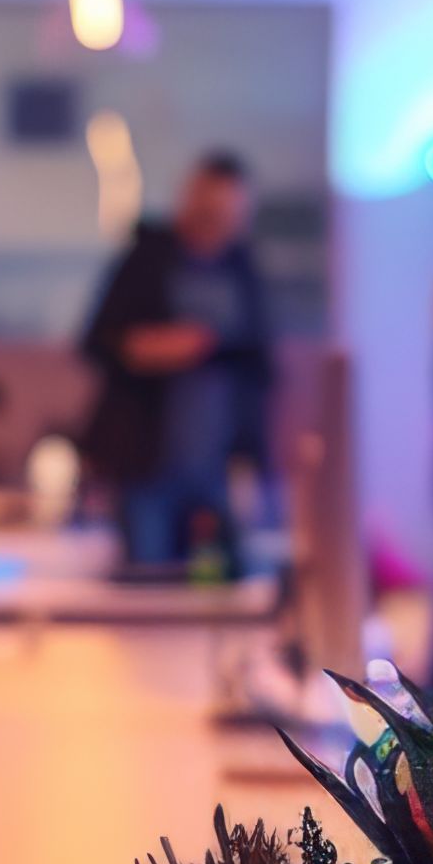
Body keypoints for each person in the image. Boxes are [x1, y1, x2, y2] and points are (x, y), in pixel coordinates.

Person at [79, 149, 274, 572]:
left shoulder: (242, 269)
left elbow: (260, 366)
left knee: (222, 579)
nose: (218, 224)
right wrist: (156, 348)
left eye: (229, 215)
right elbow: (97, 342)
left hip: (217, 465)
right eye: (210, 211)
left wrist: (254, 458)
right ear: (190, 199)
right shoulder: (147, 258)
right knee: (150, 577)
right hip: (148, 463)